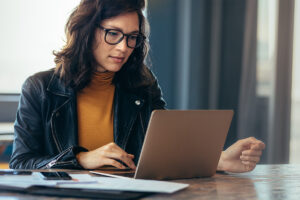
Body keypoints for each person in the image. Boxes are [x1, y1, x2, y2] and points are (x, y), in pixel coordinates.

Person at [9, 0, 265, 173]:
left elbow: (164, 151)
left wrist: (218, 160)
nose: (123, 47)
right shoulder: (40, 88)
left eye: (132, 37)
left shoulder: (142, 83)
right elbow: (21, 164)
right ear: (86, 31)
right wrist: (80, 159)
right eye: (113, 33)